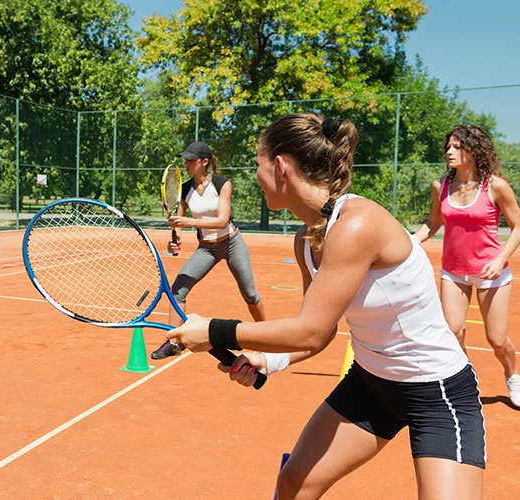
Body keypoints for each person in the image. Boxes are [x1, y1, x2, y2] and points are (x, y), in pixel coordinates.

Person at [167, 114, 485, 499]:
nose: (256, 175)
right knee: (294, 485)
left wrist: (213, 330)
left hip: (437, 394)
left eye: (258, 165)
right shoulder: (306, 241)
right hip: (371, 385)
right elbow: (321, 332)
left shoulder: (356, 224)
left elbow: (310, 330)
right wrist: (269, 360)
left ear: (281, 167)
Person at [414, 124, 520, 408]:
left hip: (490, 272)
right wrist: (410, 242)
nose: (449, 151)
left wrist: (500, 260)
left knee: (497, 340)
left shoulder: (495, 186)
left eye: (457, 146)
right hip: (453, 272)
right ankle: (462, 384)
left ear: (473, 151)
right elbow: (433, 224)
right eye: (448, 146)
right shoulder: (441, 186)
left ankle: (512, 374)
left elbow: (518, 225)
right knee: (453, 331)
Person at [150, 141, 266, 359]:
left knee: (250, 294)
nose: (186, 163)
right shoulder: (185, 189)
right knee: (178, 290)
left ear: (204, 162)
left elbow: (222, 221)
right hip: (207, 249)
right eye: (185, 159)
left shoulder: (222, 184)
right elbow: (178, 222)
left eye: (191, 160)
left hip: (232, 244)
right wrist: (175, 241)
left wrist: (188, 223)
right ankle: (173, 342)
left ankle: (268, 336)